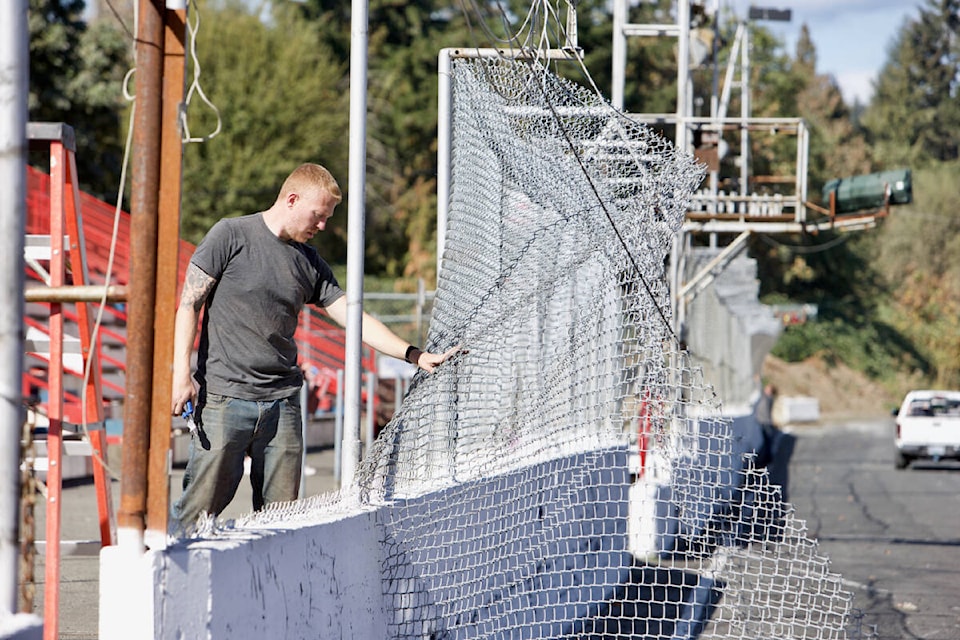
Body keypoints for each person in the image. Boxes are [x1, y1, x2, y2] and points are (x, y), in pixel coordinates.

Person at [169, 163, 456, 532]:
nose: (322, 227)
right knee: (198, 515)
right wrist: (182, 375)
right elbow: (189, 304)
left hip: (283, 404)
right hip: (226, 399)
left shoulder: (309, 262)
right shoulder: (230, 235)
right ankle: (168, 583)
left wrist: (414, 354)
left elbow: (354, 317)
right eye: (318, 216)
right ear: (292, 199)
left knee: (282, 523)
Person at [753, 382, 778, 468]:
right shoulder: (767, 398)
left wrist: (758, 382)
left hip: (766, 422)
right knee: (767, 442)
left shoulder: (768, 398)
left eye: (768, 389)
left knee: (767, 442)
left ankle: (766, 459)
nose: (766, 390)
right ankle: (767, 458)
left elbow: (760, 391)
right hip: (765, 422)